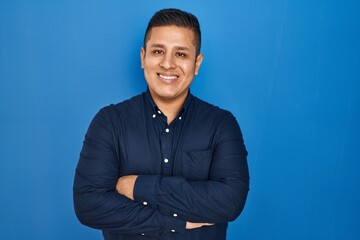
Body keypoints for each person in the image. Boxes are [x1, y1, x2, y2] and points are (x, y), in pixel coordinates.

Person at [73, 8, 249, 240]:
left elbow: (229, 201)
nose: (168, 64)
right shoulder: (109, 122)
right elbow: (89, 205)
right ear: (143, 57)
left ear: (197, 64)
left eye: (181, 54)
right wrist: (174, 223)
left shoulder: (222, 125)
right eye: (158, 51)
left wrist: (137, 187)